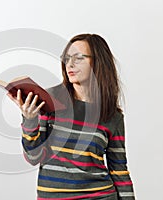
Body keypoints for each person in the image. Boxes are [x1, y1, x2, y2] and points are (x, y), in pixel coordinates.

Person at [7, 34, 135, 199]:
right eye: (67, 58)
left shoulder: (112, 115)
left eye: (79, 58)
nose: (70, 64)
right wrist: (29, 119)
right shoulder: (50, 101)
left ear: (98, 62)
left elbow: (119, 171)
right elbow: (34, 157)